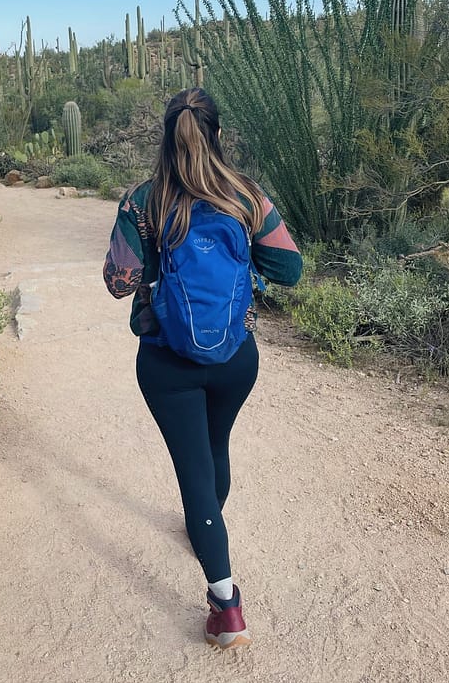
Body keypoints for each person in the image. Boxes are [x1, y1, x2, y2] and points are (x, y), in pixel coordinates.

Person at [103, 87, 302, 650]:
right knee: (215, 449)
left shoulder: (144, 200)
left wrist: (155, 267)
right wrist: (246, 276)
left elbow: (118, 283)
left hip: (166, 360)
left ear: (165, 138)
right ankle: (207, 524)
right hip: (236, 357)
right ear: (218, 135)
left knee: (192, 470)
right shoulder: (246, 196)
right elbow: (290, 269)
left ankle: (227, 606)